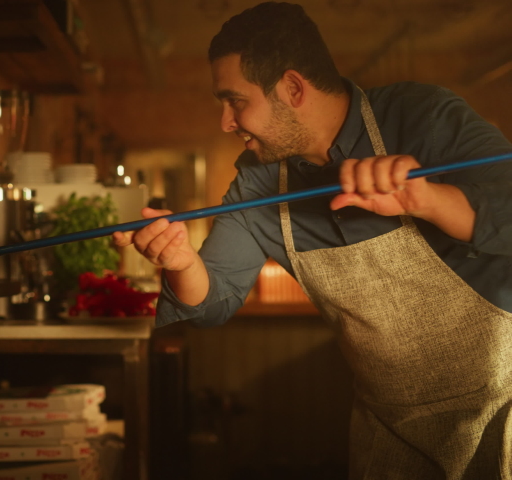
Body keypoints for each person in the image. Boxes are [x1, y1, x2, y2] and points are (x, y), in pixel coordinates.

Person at [112, 2, 512, 478]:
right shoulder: (258, 186)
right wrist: (179, 261)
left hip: (502, 407)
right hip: (390, 430)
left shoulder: (421, 116)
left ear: (293, 88)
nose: (225, 122)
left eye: (234, 100)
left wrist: (426, 199)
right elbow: (210, 302)